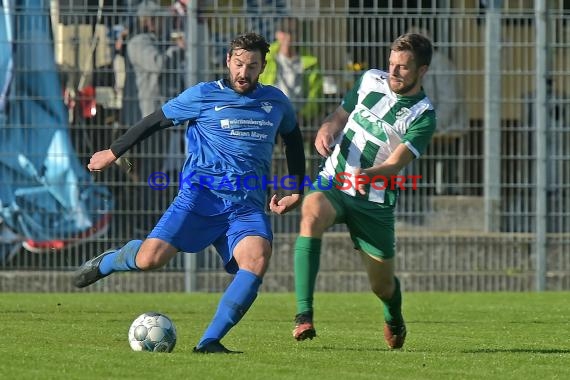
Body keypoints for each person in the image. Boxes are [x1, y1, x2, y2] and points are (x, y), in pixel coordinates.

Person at [72, 32, 306, 354]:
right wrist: (114, 152)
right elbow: (155, 120)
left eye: (252, 66)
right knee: (149, 259)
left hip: (246, 206)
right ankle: (113, 260)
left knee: (257, 259)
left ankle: (209, 342)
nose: (243, 72)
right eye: (238, 64)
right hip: (199, 198)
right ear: (228, 61)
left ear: (262, 66)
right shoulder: (204, 95)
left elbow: (293, 138)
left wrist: (295, 189)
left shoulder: (276, 102)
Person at [291, 32, 436, 350]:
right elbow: (340, 115)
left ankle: (394, 315)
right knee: (311, 212)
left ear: (422, 71)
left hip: (373, 201)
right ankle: (304, 315)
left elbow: (395, 165)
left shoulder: (423, 115)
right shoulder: (370, 80)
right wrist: (327, 128)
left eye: (403, 67)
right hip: (333, 182)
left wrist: (363, 175)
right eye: (392, 64)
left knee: (381, 285)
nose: (394, 72)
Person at [259, 17, 323, 120]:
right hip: (269, 113)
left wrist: (305, 115)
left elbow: (315, 95)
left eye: (293, 32)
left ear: (299, 35)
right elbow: (257, 87)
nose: (289, 36)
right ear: (277, 34)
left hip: (299, 116)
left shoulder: (310, 62)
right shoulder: (265, 57)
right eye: (285, 31)